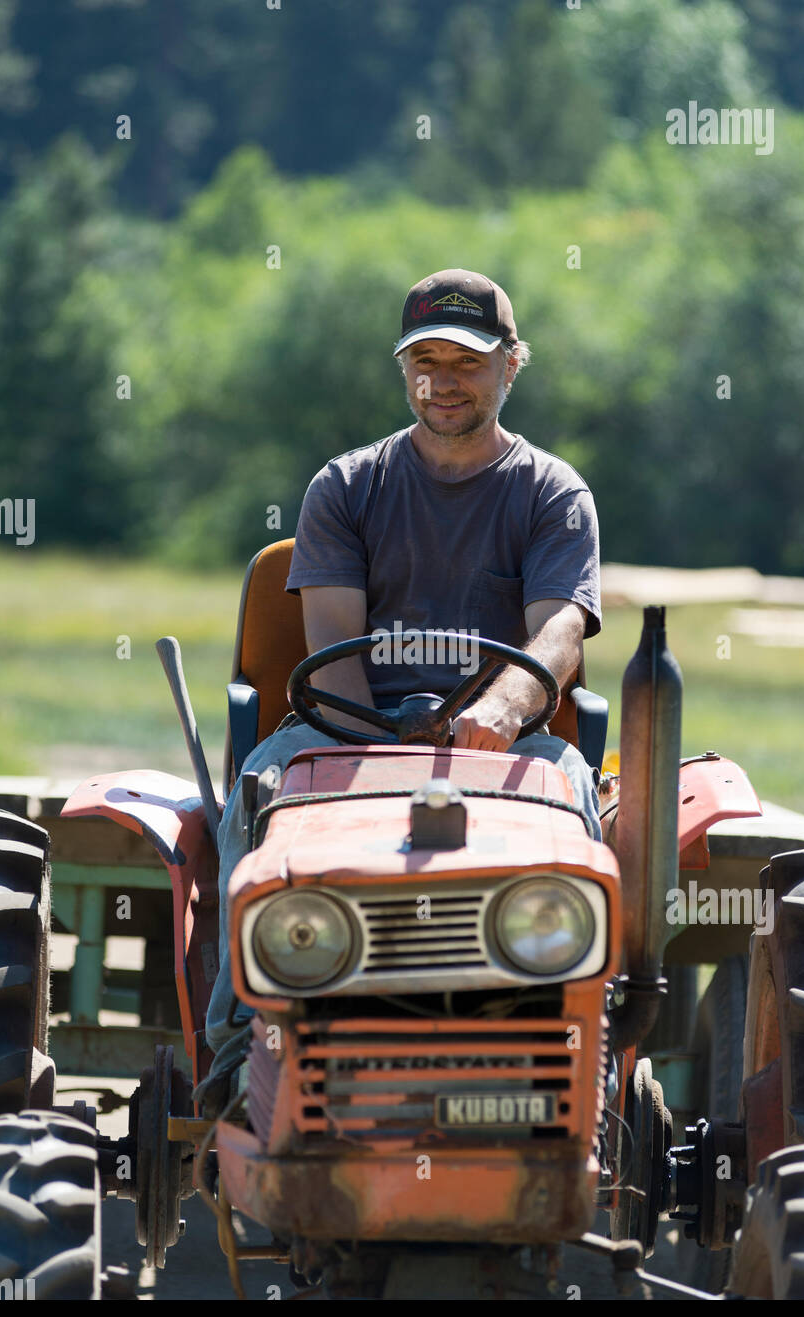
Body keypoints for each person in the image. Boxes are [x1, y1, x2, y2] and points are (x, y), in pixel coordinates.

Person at [195, 268, 603, 1116]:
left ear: (511, 365)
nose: (444, 380)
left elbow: (559, 628)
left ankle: (576, 1044)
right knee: (260, 791)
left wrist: (501, 709)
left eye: (467, 359)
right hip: (347, 730)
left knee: (572, 796)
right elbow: (334, 648)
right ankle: (242, 1035)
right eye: (426, 359)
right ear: (403, 368)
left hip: (502, 736)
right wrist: (379, 745)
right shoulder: (346, 487)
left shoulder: (551, 492)